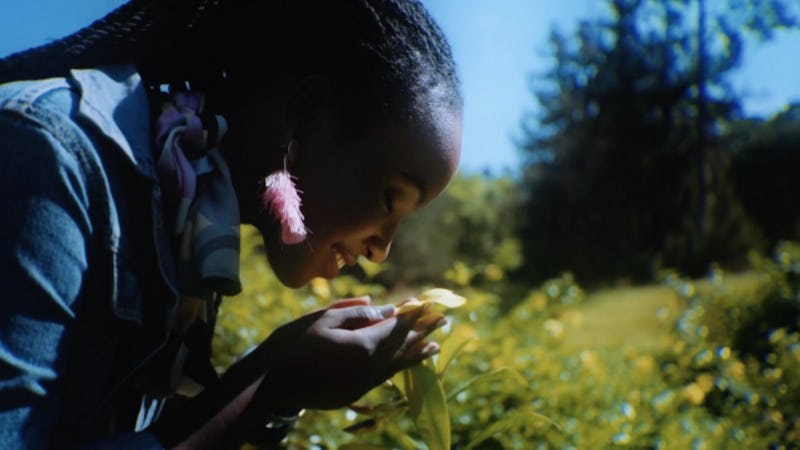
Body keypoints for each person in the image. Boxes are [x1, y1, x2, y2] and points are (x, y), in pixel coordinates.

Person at [0, 0, 462, 448]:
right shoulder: (48, 157)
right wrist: (267, 383)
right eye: (389, 198)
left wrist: (284, 394)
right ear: (305, 114)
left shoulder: (190, 211)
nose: (382, 250)